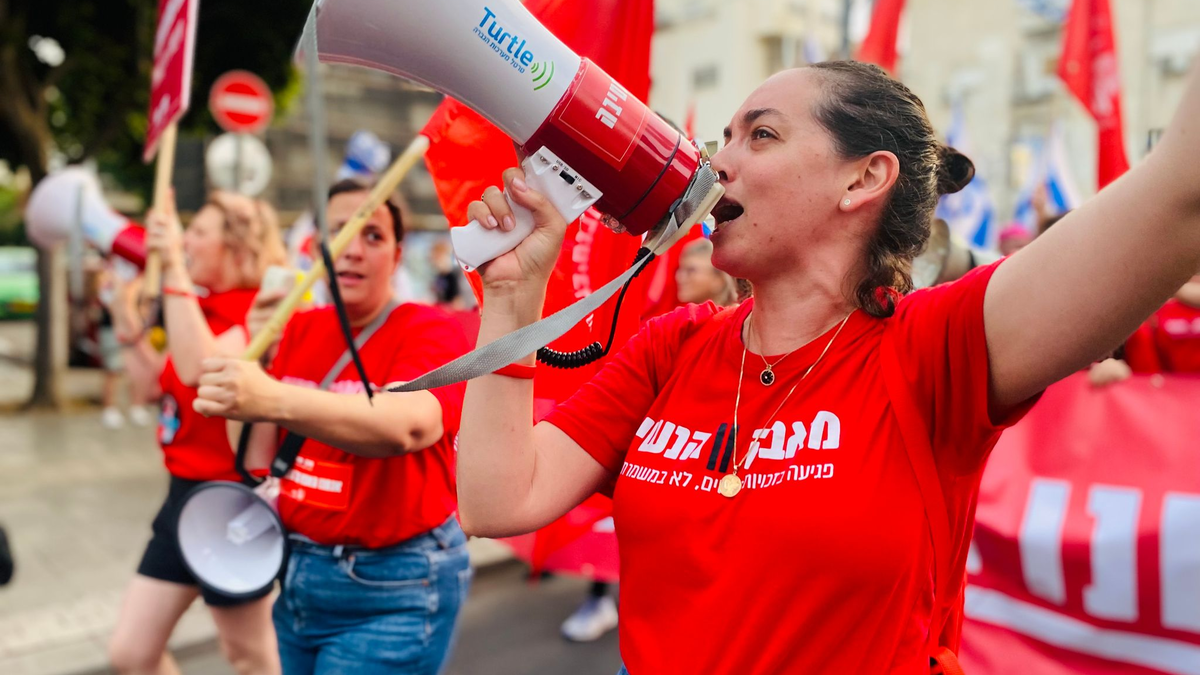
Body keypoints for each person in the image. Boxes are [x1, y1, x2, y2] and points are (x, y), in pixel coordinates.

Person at [454, 59, 1200, 674]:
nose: (717, 162)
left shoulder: (935, 347)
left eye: (762, 135)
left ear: (862, 180)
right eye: (724, 136)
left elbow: (1181, 194)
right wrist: (514, 302)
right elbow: (499, 500)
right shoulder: (671, 348)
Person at [192, 179, 472, 675]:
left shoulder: (432, 328)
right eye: (339, 231)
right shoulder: (298, 327)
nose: (354, 250)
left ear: (398, 253)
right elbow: (258, 461)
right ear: (317, 246)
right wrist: (260, 354)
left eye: (373, 236)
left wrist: (272, 394)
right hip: (300, 578)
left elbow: (407, 427)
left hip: (395, 585)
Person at [108, 191, 286, 675]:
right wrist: (125, 322)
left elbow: (197, 368)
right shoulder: (197, 308)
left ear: (236, 246)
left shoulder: (264, 309)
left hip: (231, 503)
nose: (186, 240)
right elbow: (150, 387)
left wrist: (171, 270)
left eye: (199, 232)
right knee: (131, 653)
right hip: (181, 498)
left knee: (249, 656)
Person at [560, 237, 739, 643]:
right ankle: (601, 596)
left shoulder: (733, 344)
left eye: (692, 270)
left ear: (718, 278)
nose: (680, 276)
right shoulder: (663, 335)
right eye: (679, 269)